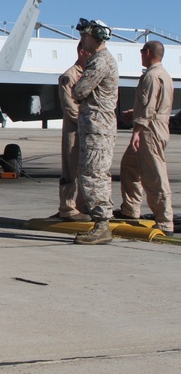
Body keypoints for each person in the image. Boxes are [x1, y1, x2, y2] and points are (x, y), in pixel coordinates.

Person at [70, 18, 120, 245]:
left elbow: (79, 90)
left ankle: (102, 225)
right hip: (97, 126)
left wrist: (75, 87)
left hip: (97, 126)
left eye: (85, 37)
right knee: (95, 173)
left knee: (93, 175)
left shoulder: (99, 62)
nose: (82, 40)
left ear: (95, 37)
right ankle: (101, 223)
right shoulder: (101, 60)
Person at [116, 41, 174, 233]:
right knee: (129, 166)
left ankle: (165, 220)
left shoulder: (151, 76)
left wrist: (137, 132)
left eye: (142, 52)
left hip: (149, 130)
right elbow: (155, 105)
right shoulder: (164, 74)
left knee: (153, 175)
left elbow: (148, 107)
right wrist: (135, 113)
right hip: (155, 124)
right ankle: (130, 209)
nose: (141, 55)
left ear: (148, 53)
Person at [55, 42, 92, 222]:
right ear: (82, 52)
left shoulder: (90, 75)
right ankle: (68, 208)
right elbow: (70, 108)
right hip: (74, 130)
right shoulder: (69, 77)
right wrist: (90, 122)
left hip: (88, 130)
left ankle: (83, 206)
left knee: (86, 169)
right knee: (71, 169)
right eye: (91, 52)